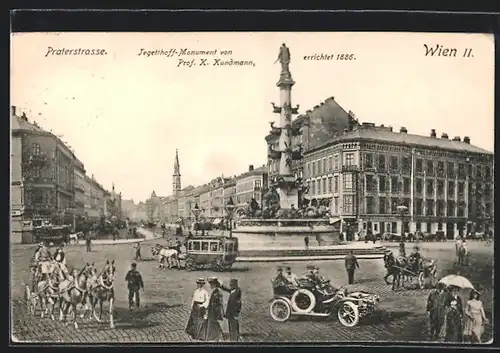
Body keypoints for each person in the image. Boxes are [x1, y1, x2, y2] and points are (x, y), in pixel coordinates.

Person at [198, 277, 224, 342]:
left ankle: (217, 338)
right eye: (210, 284)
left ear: (215, 285)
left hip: (214, 312)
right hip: (211, 312)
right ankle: (212, 337)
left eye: (212, 284)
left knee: (214, 324)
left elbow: (219, 304)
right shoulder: (214, 292)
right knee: (211, 324)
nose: (210, 286)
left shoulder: (217, 293)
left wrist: (217, 313)